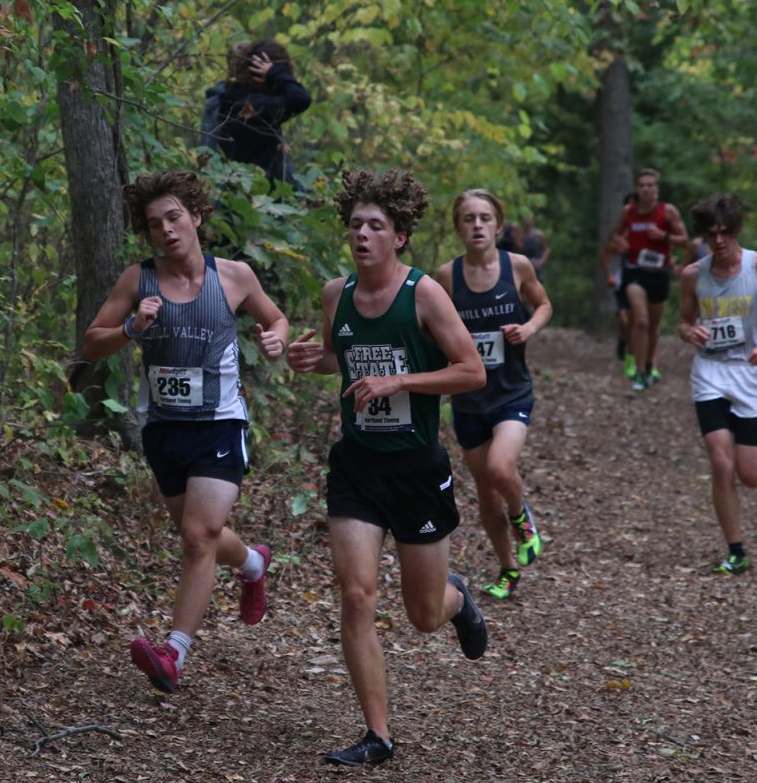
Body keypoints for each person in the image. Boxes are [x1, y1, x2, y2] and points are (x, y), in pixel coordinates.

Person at [287, 168, 488, 767]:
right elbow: (339, 358)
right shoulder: (335, 294)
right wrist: (312, 358)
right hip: (357, 466)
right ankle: (378, 736)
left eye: (376, 226)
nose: (362, 235)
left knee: (423, 616)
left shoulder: (423, 293)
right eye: (355, 225)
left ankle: (459, 599)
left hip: (416, 467)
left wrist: (401, 378)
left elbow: (472, 371)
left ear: (399, 236)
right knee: (356, 594)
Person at [83, 171, 290, 693]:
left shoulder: (235, 276)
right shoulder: (138, 280)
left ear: (195, 216)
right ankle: (250, 562)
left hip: (220, 422)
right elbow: (90, 344)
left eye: (174, 216)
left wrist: (276, 342)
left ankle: (172, 652)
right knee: (199, 533)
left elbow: (276, 319)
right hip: (164, 428)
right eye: (155, 224)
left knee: (198, 535)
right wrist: (132, 328)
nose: (167, 229)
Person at [436, 190, 553, 599]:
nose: (477, 226)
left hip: (511, 393)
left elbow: (543, 305)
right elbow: (431, 325)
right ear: (458, 228)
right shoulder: (446, 276)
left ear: (498, 226)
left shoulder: (516, 266)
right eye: (468, 219)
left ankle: (524, 522)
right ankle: (507, 570)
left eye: (485, 218)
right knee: (486, 493)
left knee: (502, 470)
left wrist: (529, 329)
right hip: (469, 401)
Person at [676, 194, 757, 574]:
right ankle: (736, 550)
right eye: (711, 234)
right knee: (719, 460)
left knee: (749, 474)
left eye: (725, 233)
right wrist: (690, 332)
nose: (718, 241)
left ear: (736, 230)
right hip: (710, 372)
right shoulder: (694, 275)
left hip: (750, 373)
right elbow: (682, 321)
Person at [611, 168, 689, 391]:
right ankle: (639, 371)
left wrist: (664, 236)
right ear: (637, 189)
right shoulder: (629, 212)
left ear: (656, 189)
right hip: (635, 272)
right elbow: (616, 235)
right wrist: (620, 243)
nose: (645, 189)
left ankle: (647, 364)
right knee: (641, 320)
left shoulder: (668, 212)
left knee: (653, 326)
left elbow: (685, 241)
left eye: (650, 185)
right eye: (642, 185)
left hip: (659, 274)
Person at [214, 39, 311, 188]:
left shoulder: (235, 96)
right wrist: (275, 73)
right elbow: (301, 98)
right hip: (254, 200)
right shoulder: (255, 107)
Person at [601, 192, 637, 378]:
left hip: (639, 282)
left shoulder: (644, 231)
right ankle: (624, 343)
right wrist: (610, 275)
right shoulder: (618, 233)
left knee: (637, 322)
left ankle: (634, 356)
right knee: (625, 321)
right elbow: (606, 252)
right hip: (621, 282)